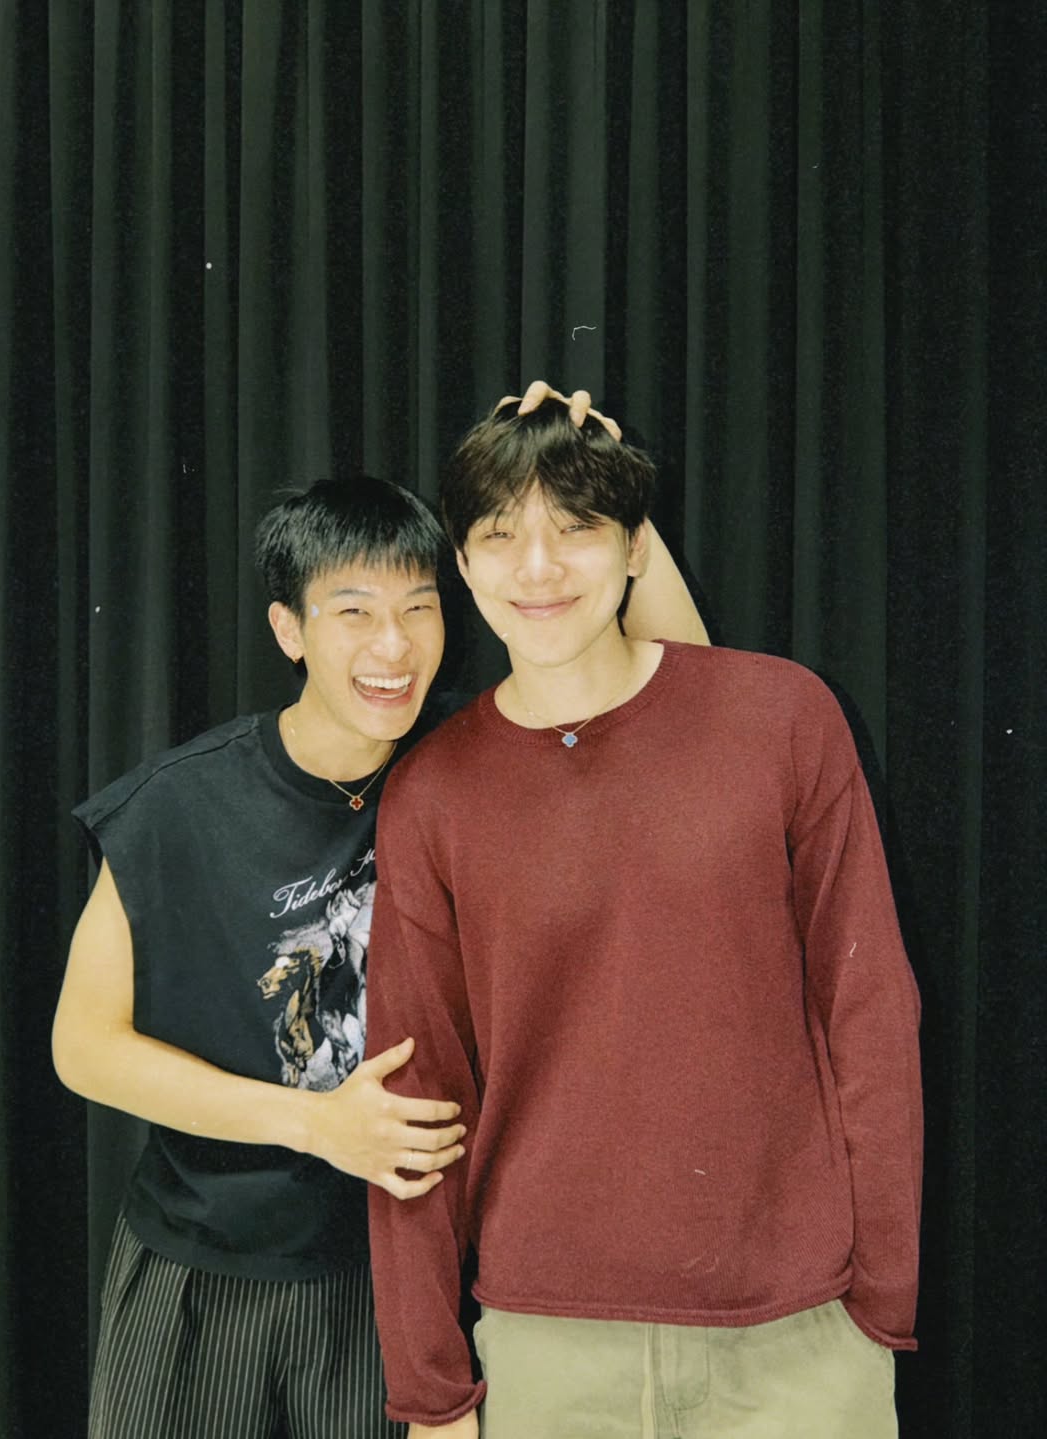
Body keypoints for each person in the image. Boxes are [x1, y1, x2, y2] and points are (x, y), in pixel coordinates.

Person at [51, 385, 709, 1439]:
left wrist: (607, 489)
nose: (391, 646)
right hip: (198, 1266)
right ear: (289, 628)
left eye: (418, 607)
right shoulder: (180, 803)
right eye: (353, 611)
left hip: (396, 1278)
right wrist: (316, 1123)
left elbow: (687, 695)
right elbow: (84, 1046)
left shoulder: (470, 763)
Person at [364, 399, 923, 1438]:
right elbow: (418, 1095)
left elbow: (870, 1011)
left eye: (577, 526)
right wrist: (432, 1391)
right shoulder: (434, 793)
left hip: (801, 1343)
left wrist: (881, 1301)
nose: (539, 567)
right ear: (463, 563)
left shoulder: (783, 719)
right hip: (548, 1353)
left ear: (633, 546)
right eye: (501, 535)